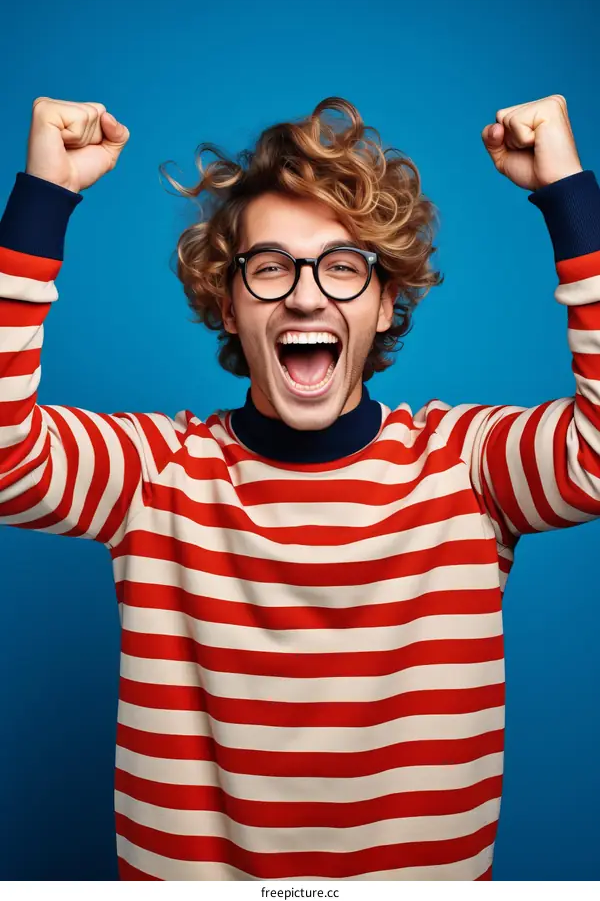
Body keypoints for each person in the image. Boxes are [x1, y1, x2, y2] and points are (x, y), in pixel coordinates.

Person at [0, 94, 598, 882]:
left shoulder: (467, 469)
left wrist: (567, 189)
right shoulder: (155, 474)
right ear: (228, 302)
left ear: (387, 304)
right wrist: (45, 196)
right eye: (270, 267)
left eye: (344, 267)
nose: (308, 296)